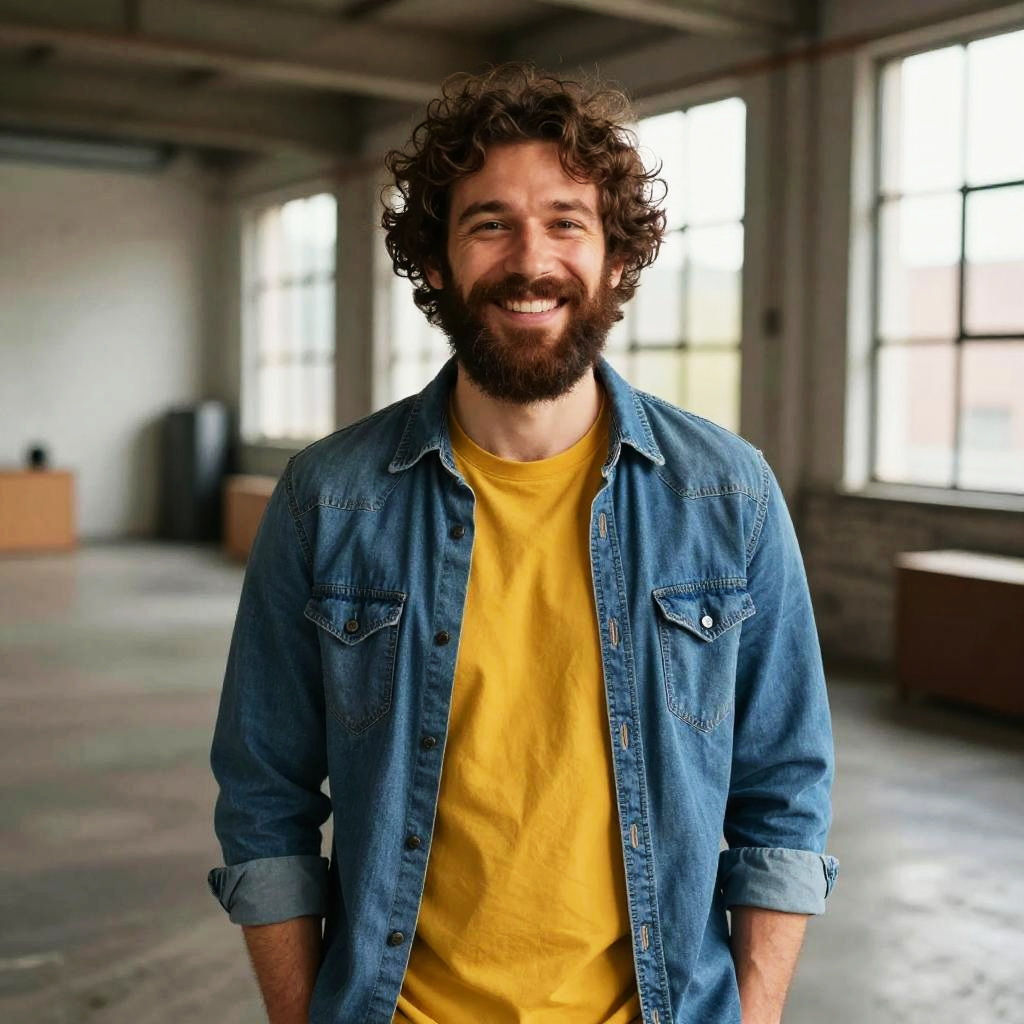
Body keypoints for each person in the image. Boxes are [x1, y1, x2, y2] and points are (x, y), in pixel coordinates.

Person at [208, 64, 838, 1024]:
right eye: (489, 222)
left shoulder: (726, 494)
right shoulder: (329, 501)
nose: (530, 259)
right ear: (437, 261)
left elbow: (782, 791)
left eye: (567, 222)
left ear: (616, 260)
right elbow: (266, 798)